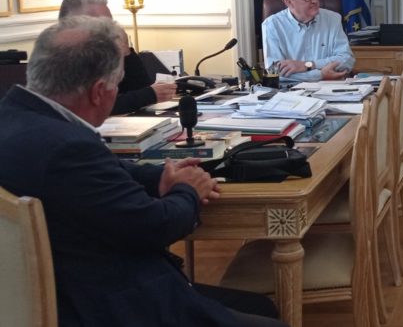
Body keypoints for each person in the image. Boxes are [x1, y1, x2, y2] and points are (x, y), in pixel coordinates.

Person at [0, 16, 286, 327]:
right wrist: (188, 190)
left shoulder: (15, 114)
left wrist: (159, 177)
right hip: (110, 303)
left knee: (257, 307)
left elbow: (104, 172)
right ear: (99, 92)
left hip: (56, 290)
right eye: (117, 85)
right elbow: (154, 227)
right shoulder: (66, 147)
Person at [58, 0, 177, 114]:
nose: (109, 29)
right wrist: (149, 95)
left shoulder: (99, 51)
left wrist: (125, 52)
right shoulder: (59, 57)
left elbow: (139, 87)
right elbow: (94, 106)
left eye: (110, 22)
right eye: (102, 23)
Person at [262, 0, 354, 82]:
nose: (315, 0)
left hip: (331, 87)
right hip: (293, 90)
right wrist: (320, 74)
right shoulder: (272, 25)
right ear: (289, 2)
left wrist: (307, 65)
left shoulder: (332, 19)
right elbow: (274, 73)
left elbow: (347, 60)